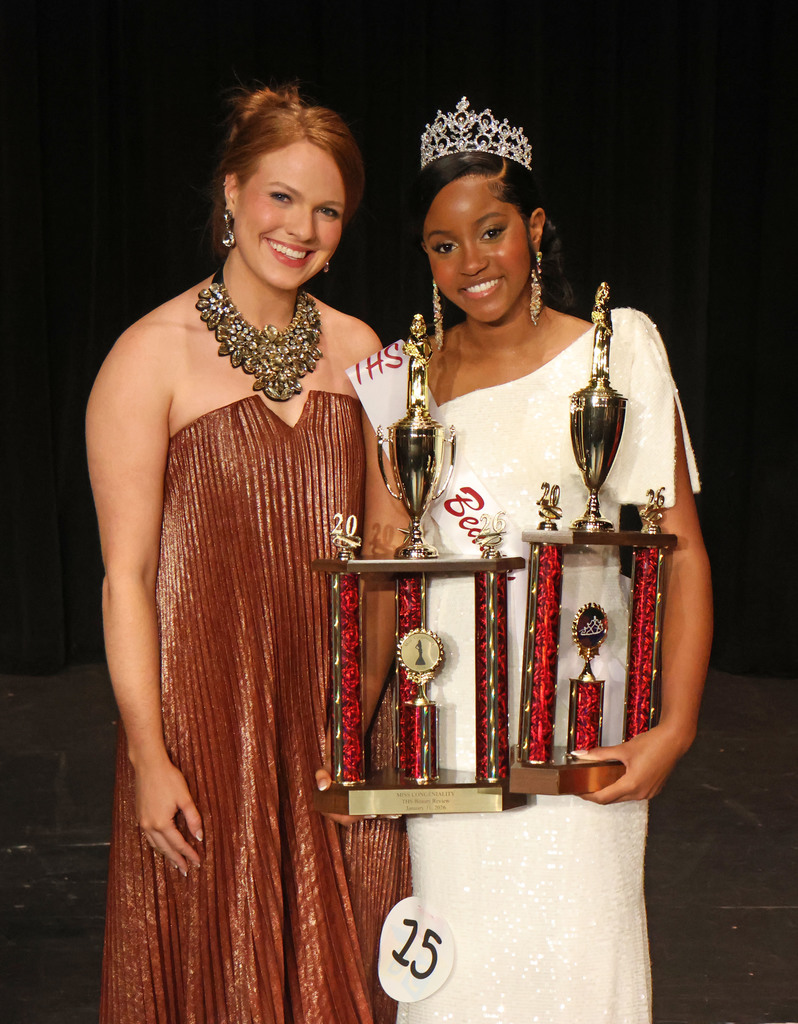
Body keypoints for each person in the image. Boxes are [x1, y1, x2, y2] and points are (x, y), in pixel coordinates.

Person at [350, 98, 713, 1023]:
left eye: (492, 230)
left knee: (580, 968)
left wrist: (673, 728)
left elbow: (679, 553)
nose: (470, 263)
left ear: (536, 228)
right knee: (461, 986)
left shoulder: (616, 351)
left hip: (579, 727)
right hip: (456, 741)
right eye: (442, 245)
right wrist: (357, 727)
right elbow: (393, 571)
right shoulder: (403, 384)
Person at [87, 84, 409, 1024]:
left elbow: (388, 553)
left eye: (327, 210)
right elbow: (127, 580)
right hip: (207, 719)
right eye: (281, 197)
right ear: (231, 193)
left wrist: (357, 716)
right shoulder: (148, 356)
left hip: (332, 714)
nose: (300, 228)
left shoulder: (365, 356)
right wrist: (150, 754)